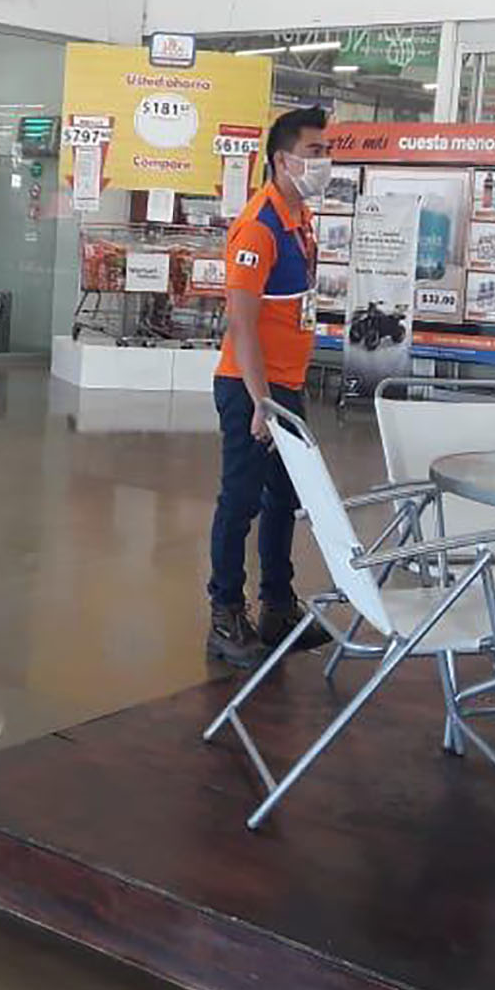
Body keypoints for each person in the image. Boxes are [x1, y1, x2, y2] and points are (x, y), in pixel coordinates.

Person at [206, 106, 332, 669]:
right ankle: (225, 613)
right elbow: (242, 322)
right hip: (251, 389)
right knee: (240, 500)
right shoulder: (259, 226)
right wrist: (260, 400)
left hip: (288, 384)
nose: (323, 162)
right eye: (314, 152)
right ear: (282, 160)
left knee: (285, 496)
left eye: (326, 152)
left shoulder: (299, 219)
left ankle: (277, 605)